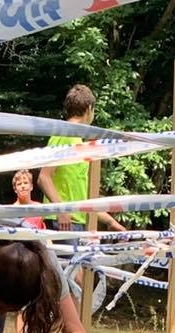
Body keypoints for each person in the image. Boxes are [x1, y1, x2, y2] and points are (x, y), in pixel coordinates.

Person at [37, 86, 127, 234]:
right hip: (62, 221)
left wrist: (110, 221)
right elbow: (43, 177)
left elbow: (82, 197)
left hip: (76, 221)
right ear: (89, 109)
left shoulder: (79, 141)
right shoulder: (64, 135)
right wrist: (61, 211)